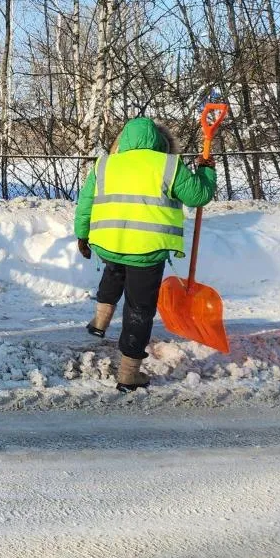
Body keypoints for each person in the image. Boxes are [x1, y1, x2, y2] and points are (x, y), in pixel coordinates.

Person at [75, 117, 216, 392]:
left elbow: (86, 202)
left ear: (124, 139)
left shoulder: (105, 163)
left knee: (114, 271)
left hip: (110, 242)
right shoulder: (168, 165)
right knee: (139, 309)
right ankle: (128, 374)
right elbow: (197, 196)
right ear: (159, 141)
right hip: (148, 249)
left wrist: (82, 234)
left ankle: (100, 320)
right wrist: (206, 171)